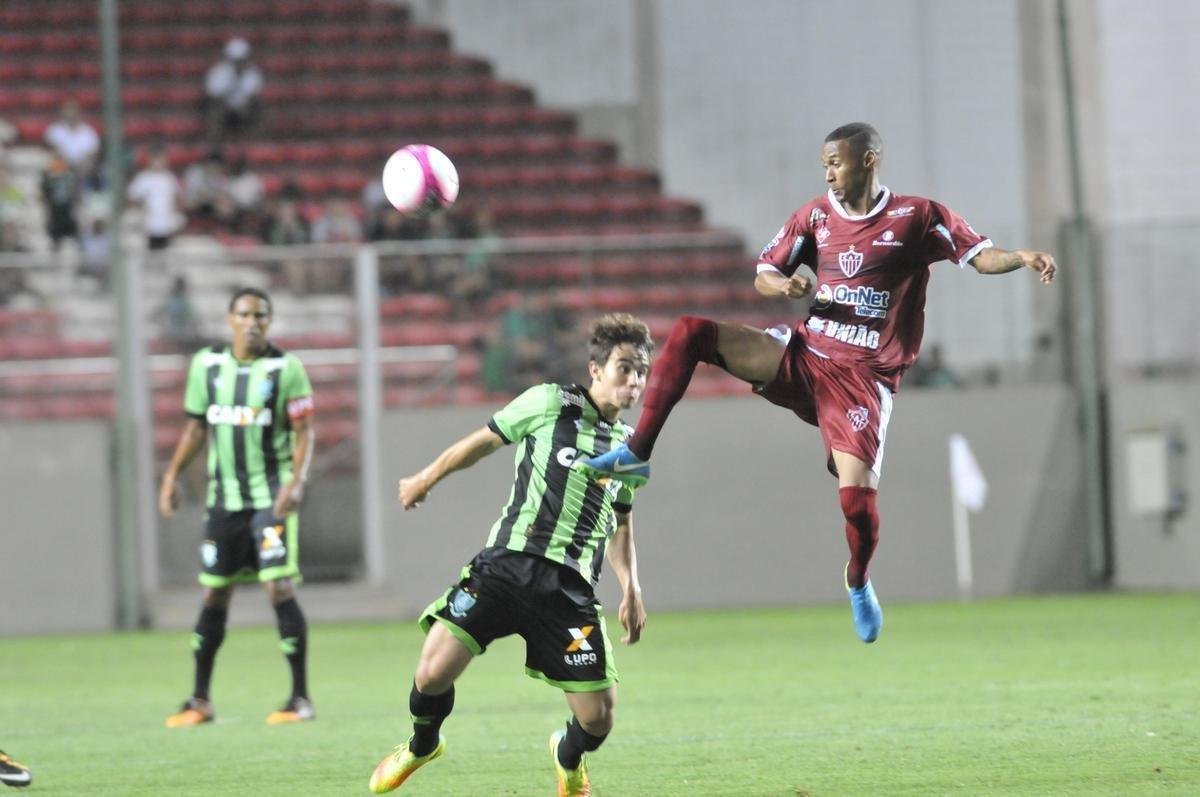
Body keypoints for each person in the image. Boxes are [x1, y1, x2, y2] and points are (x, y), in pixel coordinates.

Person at [575, 122, 1057, 644]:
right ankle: (637, 452)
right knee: (693, 332)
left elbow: (977, 255)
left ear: (869, 160)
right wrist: (786, 282)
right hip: (806, 353)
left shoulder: (917, 216)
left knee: (856, 505)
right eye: (825, 162)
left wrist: (1021, 258)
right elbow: (765, 271)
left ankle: (858, 580)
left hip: (864, 379)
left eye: (838, 162)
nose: (829, 172)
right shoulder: (816, 216)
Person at [368, 313, 654, 796]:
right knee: (432, 670)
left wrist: (632, 587)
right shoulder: (549, 402)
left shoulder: (631, 449)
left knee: (598, 719)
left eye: (642, 371)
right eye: (625, 368)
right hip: (506, 565)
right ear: (596, 369)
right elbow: (481, 442)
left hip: (569, 591)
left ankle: (567, 757)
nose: (635, 381)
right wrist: (425, 478)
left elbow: (620, 523)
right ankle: (422, 745)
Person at [158, 287, 317, 727]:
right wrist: (171, 475)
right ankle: (199, 700)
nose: (253, 322)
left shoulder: (286, 368)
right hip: (224, 501)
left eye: (261, 315)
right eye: (245, 314)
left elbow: (305, 431)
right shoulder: (206, 366)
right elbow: (194, 429)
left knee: (279, 588)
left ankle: (300, 698)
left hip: (270, 496)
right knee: (214, 592)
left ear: (270, 321)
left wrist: (296, 481)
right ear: (230, 319)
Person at [203, 38, 264, 139]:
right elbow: (213, 95)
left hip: (244, 109)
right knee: (213, 109)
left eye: (240, 60)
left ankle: (252, 141)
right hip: (223, 108)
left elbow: (253, 96)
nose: (238, 63)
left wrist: (242, 106)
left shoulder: (253, 73)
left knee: (257, 108)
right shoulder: (218, 72)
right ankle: (215, 140)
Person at [126, 146, 184, 251]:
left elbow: (177, 198)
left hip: (167, 224)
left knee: (166, 253)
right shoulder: (143, 178)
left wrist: (175, 213)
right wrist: (141, 209)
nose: (159, 162)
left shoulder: (169, 178)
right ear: (151, 160)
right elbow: (132, 198)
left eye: (162, 159)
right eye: (156, 159)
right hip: (148, 225)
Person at [43, 99, 99, 174]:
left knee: (88, 165)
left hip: (83, 166)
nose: (70, 113)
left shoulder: (88, 131)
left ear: (78, 112)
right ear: (62, 112)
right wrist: (65, 161)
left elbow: (93, 151)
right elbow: (51, 147)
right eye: (67, 110)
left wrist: (81, 163)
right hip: (62, 164)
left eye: (73, 110)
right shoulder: (55, 129)